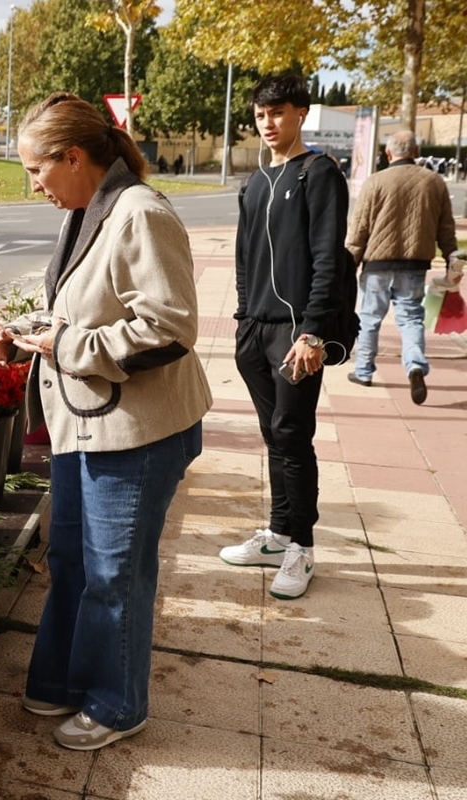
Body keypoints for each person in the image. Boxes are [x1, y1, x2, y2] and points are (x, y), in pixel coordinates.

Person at [0, 93, 211, 751]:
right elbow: (78, 310)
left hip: (136, 434)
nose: (32, 185)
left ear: (73, 156)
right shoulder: (84, 211)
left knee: (115, 573)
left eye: (35, 170)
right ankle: (61, 680)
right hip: (86, 425)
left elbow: (169, 328)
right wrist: (19, 333)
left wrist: (67, 348)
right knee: (70, 560)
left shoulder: (140, 213)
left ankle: (116, 703)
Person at [218, 75, 349, 600]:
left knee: (293, 437)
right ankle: (276, 534)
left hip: (297, 335)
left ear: (300, 113)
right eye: (260, 115)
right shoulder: (255, 182)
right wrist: (245, 321)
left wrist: (313, 331)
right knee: (274, 437)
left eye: (277, 113)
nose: (268, 124)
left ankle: (303, 548)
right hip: (257, 331)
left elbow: (328, 259)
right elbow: (245, 258)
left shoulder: (319, 173)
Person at [345, 130, 458, 404]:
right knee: (410, 319)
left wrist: (349, 264)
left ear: (388, 153)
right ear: (416, 152)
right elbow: (446, 228)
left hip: (376, 264)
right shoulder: (434, 182)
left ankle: (363, 371)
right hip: (415, 264)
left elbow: (359, 228)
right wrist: (452, 260)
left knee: (370, 319)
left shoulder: (375, 182)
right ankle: (415, 366)